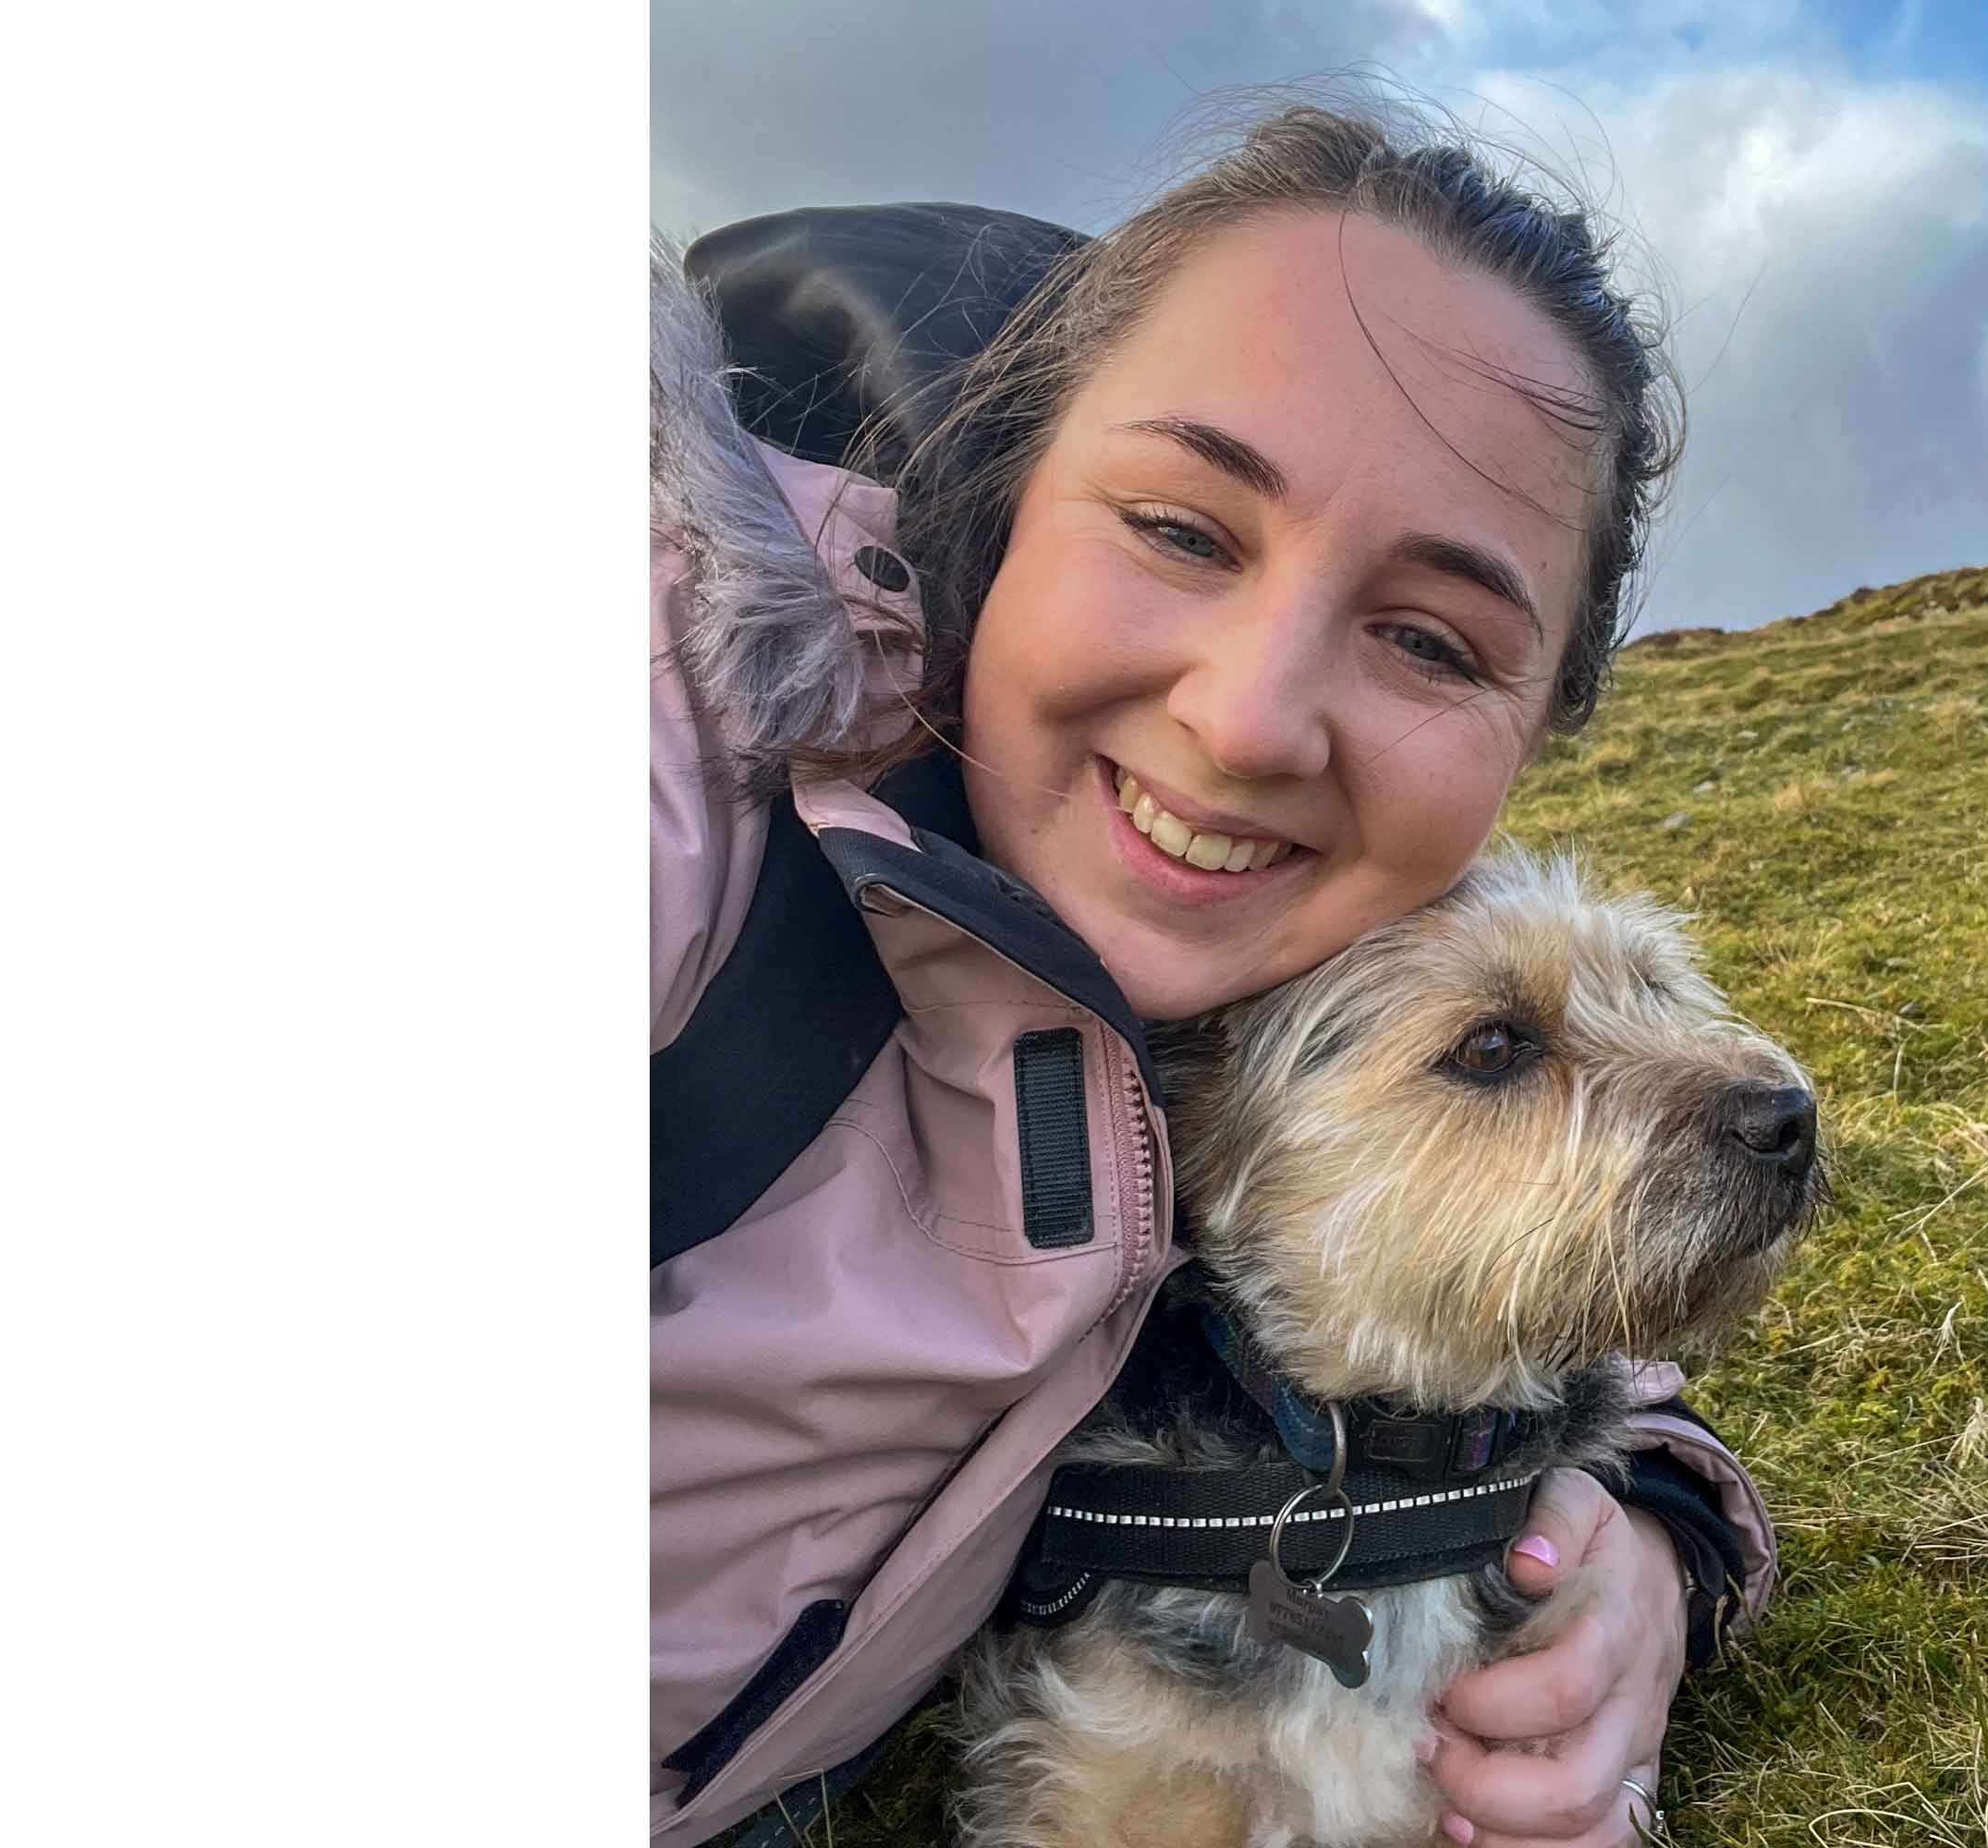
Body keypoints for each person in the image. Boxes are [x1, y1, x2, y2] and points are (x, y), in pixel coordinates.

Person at [653, 95, 1777, 1848]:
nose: (1247, 721)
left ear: (1531, 731)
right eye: (1182, 528)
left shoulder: (1255, 952)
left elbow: (1421, 1251)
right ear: (1006, 482)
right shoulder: (666, 744)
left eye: (1430, 637)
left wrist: (1658, 1532)